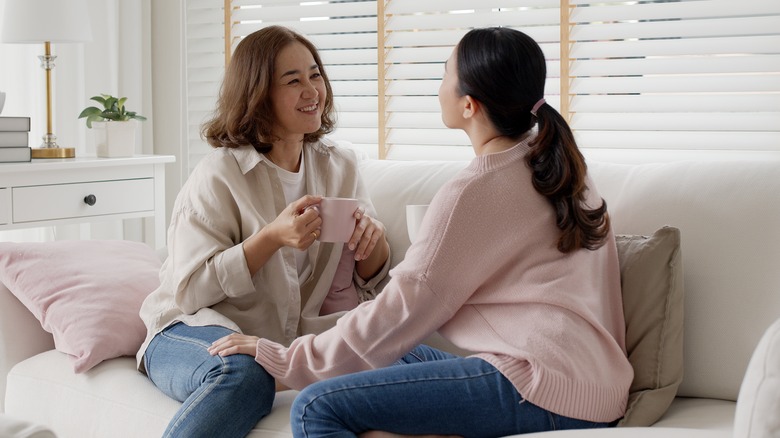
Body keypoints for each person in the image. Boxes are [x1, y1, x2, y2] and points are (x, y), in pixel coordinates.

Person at [209, 27, 633, 437]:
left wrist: (286, 361)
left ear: (469, 105)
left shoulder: (475, 191)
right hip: (599, 387)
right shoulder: (564, 167)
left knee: (316, 407)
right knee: (390, 355)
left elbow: (402, 308)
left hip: (541, 388)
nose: (438, 85)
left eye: (445, 73)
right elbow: (393, 332)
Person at [136, 25, 391, 438]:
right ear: (258, 95)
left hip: (271, 342)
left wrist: (371, 239)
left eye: (315, 75)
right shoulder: (219, 174)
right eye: (293, 81)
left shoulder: (339, 166)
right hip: (190, 328)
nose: (312, 91)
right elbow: (189, 291)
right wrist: (270, 238)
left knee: (395, 353)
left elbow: (372, 277)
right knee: (245, 376)